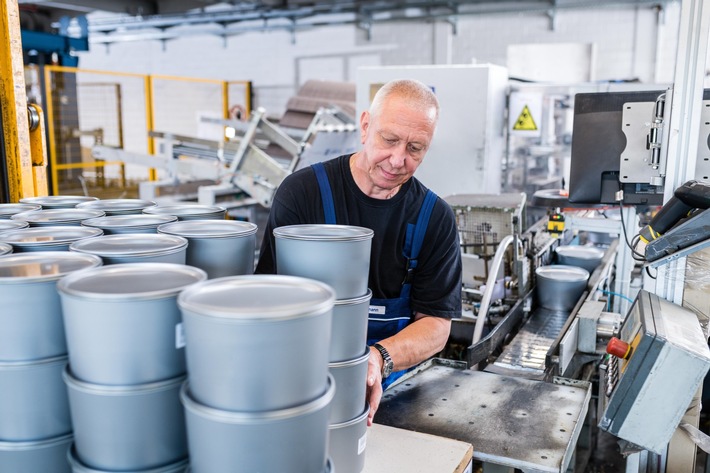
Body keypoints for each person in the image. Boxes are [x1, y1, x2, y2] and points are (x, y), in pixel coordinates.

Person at [255, 78, 462, 426]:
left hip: (393, 384)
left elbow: (436, 325)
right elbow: (268, 300)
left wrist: (378, 358)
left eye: (415, 148)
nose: (398, 160)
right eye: (390, 139)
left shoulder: (434, 218)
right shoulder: (303, 194)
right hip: (303, 377)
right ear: (366, 126)